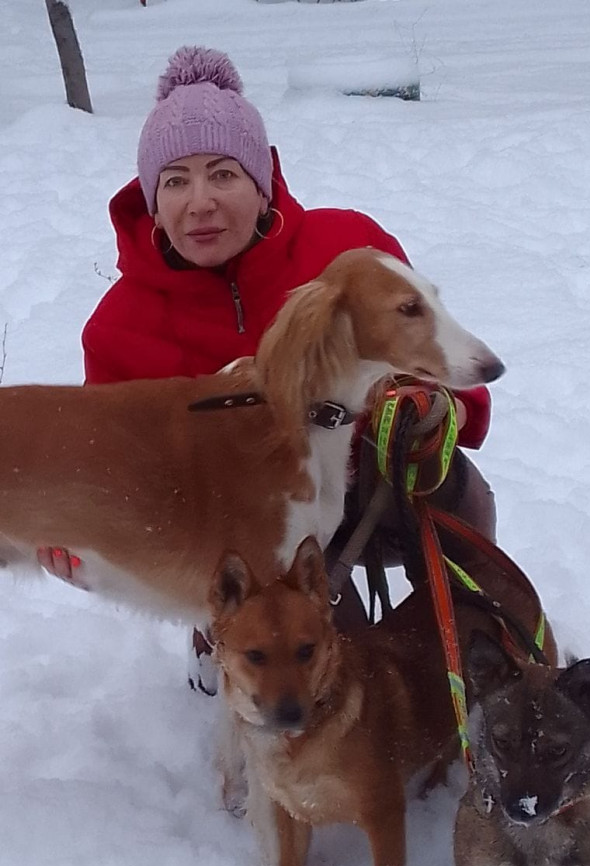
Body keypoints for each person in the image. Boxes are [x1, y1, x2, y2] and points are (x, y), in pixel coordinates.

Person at [38, 46, 496, 683]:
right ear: (153, 201)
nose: (200, 202)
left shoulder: (346, 249)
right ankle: (235, 637)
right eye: (175, 181)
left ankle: (480, 646)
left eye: (223, 174)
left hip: (367, 483)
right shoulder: (120, 327)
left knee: (458, 497)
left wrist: (438, 411)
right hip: (240, 535)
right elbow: (113, 468)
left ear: (262, 183)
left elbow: (448, 369)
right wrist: (75, 528)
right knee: (331, 666)